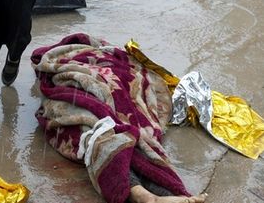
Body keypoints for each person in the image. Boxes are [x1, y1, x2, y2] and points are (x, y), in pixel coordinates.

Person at [31, 34, 209, 203]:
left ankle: (142, 193)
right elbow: (131, 71)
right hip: (88, 88)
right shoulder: (103, 53)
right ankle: (155, 193)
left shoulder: (81, 55)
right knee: (113, 132)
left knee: (95, 134)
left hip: (86, 92)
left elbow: (47, 68)